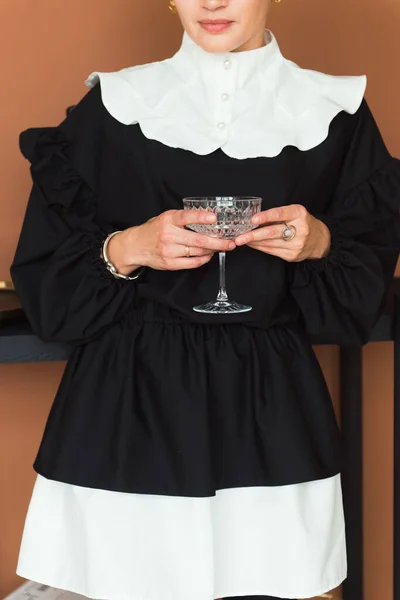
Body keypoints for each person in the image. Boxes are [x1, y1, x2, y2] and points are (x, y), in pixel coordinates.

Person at [10, 0, 400, 599]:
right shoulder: (114, 104)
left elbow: (363, 282)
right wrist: (130, 246)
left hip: (270, 404)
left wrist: (318, 240)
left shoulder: (335, 111)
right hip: (126, 403)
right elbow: (46, 282)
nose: (212, 3)